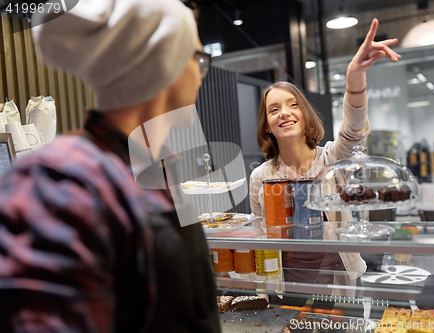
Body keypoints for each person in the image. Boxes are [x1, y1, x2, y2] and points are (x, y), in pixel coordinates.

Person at [0, 1, 220, 332]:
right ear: (168, 63)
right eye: (199, 58)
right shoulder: (62, 180)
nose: (201, 74)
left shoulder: (155, 169)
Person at [249, 18, 401, 288]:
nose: (284, 112)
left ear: (305, 116)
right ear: (268, 126)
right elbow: (262, 240)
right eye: (274, 109)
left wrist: (354, 75)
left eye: (292, 105)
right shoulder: (260, 176)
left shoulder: (332, 158)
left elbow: (354, 131)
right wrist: (265, 290)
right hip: (288, 281)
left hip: (338, 275)